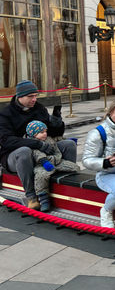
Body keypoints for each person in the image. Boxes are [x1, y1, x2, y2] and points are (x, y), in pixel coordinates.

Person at [0, 80, 76, 209]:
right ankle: (31, 196)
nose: (34, 99)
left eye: (36, 95)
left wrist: (57, 123)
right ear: (20, 97)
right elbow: (6, 141)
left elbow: (50, 133)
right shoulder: (5, 114)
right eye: (30, 96)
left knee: (69, 144)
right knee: (24, 151)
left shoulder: (39, 108)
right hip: (15, 156)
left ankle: (64, 188)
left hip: (44, 151)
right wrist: (36, 144)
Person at [82, 97, 115, 228]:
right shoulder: (98, 133)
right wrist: (105, 162)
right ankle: (106, 210)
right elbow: (86, 160)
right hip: (108, 174)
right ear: (110, 113)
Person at [26, 120, 79, 212]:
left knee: (74, 167)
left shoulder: (48, 138)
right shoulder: (33, 143)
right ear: (34, 134)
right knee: (41, 176)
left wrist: (67, 139)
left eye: (45, 131)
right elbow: (37, 154)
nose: (45, 134)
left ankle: (69, 186)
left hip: (57, 161)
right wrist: (44, 161)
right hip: (43, 165)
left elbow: (56, 140)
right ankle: (43, 199)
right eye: (42, 132)